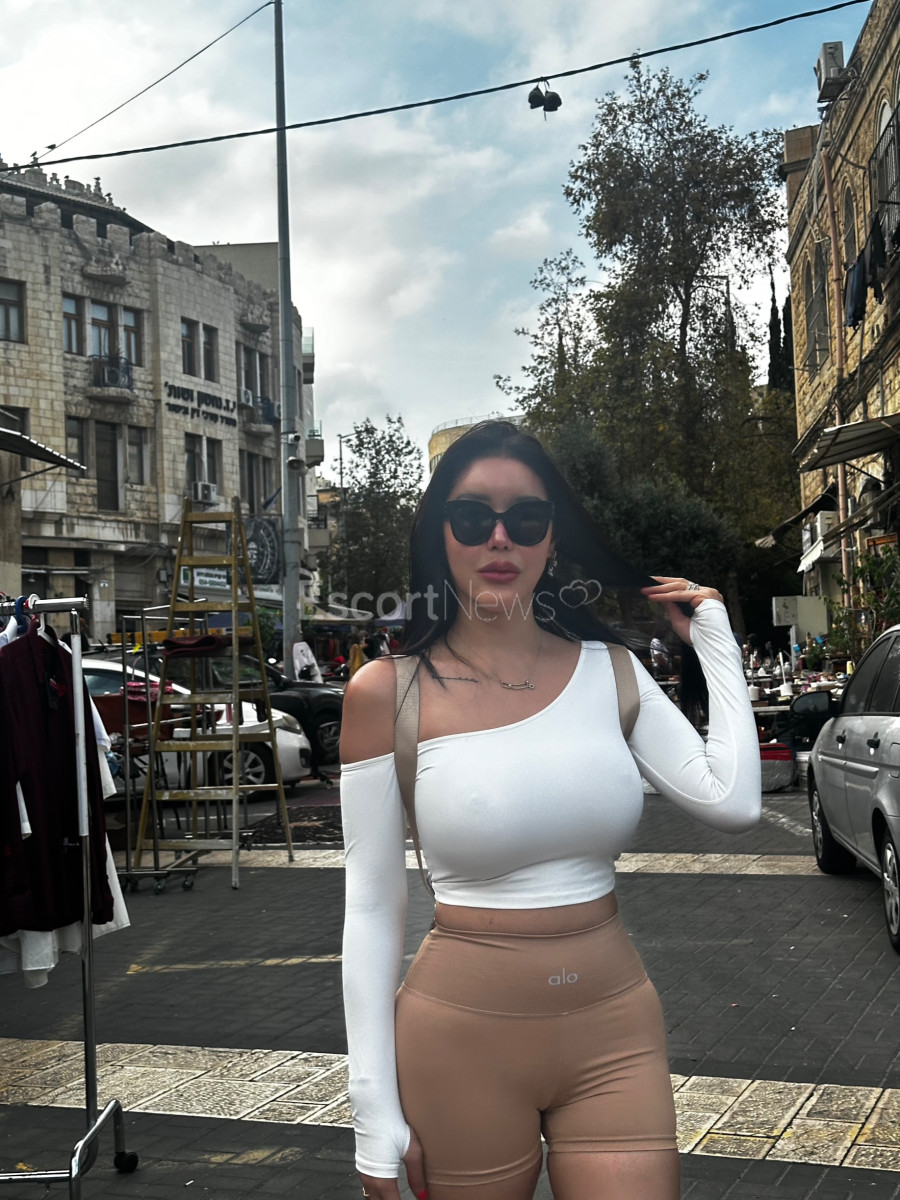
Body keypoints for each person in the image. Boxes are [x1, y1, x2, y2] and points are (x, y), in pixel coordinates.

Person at [340, 420, 760, 1200]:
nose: (500, 537)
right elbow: (370, 904)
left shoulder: (613, 672)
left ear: (552, 538)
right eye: (473, 516)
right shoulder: (387, 692)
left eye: (526, 518)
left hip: (614, 1033)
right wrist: (370, 1106)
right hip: (457, 1043)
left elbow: (731, 801)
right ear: (440, 533)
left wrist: (716, 641)